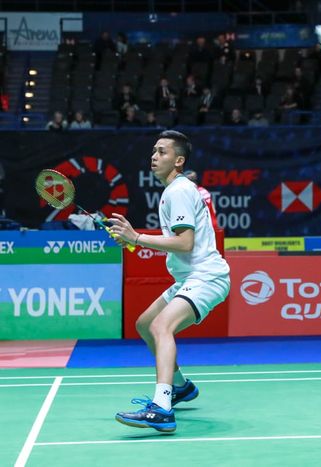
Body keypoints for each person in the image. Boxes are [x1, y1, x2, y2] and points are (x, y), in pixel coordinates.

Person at [110, 131, 230, 432]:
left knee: (161, 327)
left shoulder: (178, 190)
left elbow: (185, 242)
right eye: (153, 151)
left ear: (178, 160)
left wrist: (137, 237)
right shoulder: (175, 190)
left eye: (162, 152)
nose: (154, 156)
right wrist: (133, 239)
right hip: (190, 276)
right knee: (144, 323)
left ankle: (162, 408)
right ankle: (180, 387)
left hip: (206, 275)